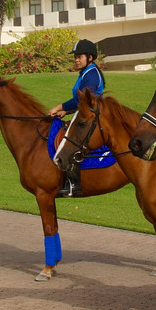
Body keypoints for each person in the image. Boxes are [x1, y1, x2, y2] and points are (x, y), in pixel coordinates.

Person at [49, 38, 105, 196]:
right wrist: (65, 111)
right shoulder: (85, 73)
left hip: (91, 118)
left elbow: (82, 100)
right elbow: (78, 101)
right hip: (82, 114)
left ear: (90, 58)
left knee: (72, 140)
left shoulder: (92, 75)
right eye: (75, 56)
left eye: (79, 56)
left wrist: (60, 107)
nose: (76, 59)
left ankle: (75, 184)